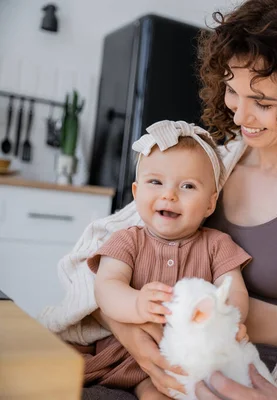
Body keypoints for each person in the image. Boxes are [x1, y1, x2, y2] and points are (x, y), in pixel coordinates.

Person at [39, 1, 277, 399]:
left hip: (256, 379)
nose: (241, 115)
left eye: (262, 102)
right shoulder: (219, 161)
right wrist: (132, 334)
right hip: (145, 362)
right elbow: (103, 258)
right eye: (231, 90)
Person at [79, 120, 252, 399]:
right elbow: (106, 287)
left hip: (187, 356)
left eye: (187, 186)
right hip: (126, 357)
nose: (169, 194)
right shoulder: (127, 240)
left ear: (210, 203)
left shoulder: (217, 245)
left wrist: (226, 320)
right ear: (136, 193)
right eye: (155, 182)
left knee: (180, 389)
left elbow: (235, 292)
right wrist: (136, 303)